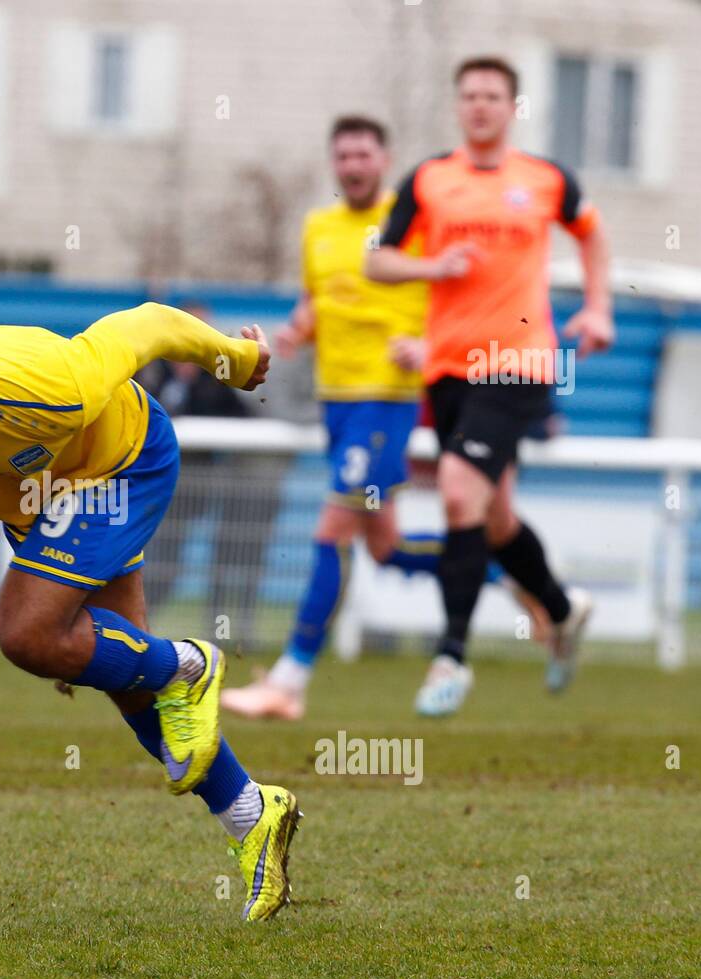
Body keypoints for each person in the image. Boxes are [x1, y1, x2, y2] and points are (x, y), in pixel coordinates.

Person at [0, 301, 303, 921]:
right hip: (37, 505)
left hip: (123, 467)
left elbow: (149, 324)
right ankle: (253, 815)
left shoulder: (45, 384)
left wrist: (238, 359)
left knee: (26, 632)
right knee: (123, 671)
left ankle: (189, 665)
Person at [365, 56, 613, 716]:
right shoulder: (428, 179)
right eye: (470, 95)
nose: (480, 105)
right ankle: (562, 610)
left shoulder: (545, 178)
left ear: (512, 107)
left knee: (455, 488)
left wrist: (598, 308)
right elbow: (377, 259)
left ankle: (450, 656)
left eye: (493, 95)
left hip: (520, 362)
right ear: (458, 106)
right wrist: (430, 265)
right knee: (493, 516)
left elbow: (593, 234)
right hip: (448, 370)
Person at [221, 117, 450, 721]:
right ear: (334, 163)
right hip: (338, 402)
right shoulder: (318, 227)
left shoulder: (412, 220)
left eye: (363, 154)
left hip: (387, 401)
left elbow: (454, 295)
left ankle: (289, 681)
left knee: (330, 533)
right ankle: (504, 564)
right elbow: (319, 298)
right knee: (386, 547)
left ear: (385, 158)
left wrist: (431, 346)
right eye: (343, 155)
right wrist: (299, 329)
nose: (352, 165)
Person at [139, 301, 278, 646]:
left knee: (220, 553)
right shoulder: (149, 368)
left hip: (197, 488)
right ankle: (135, 626)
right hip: (153, 488)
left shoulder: (216, 376)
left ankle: (222, 631)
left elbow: (244, 420)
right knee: (156, 563)